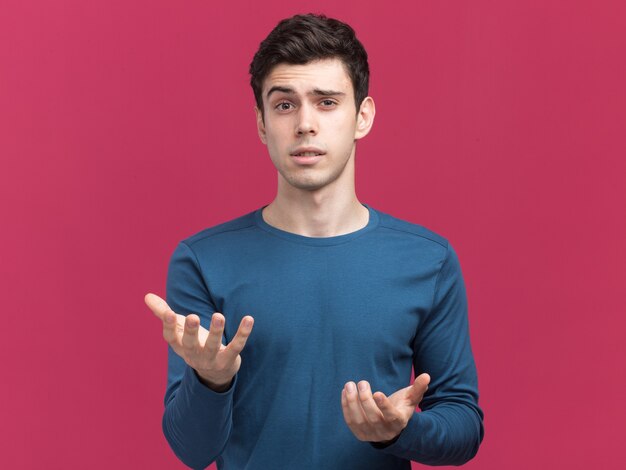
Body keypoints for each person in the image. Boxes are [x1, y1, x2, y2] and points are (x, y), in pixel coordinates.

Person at [145, 13, 484, 469]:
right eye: (284, 105)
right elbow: (191, 450)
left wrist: (401, 431)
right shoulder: (203, 261)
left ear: (362, 116)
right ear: (263, 124)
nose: (305, 123)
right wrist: (211, 379)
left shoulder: (429, 260)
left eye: (326, 102)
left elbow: (464, 426)